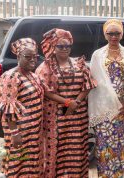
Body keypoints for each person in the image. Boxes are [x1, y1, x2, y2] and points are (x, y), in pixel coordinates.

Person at [35, 28, 97, 177]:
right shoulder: (46, 67)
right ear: (53, 47)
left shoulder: (79, 64)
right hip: (56, 118)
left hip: (78, 118)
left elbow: (87, 85)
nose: (64, 49)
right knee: (58, 150)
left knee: (76, 149)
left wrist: (76, 101)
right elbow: (46, 91)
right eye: (60, 46)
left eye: (67, 46)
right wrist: (67, 102)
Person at [88, 19, 124, 178]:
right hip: (104, 110)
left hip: (121, 110)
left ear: (122, 34)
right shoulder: (97, 55)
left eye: (117, 33)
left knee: (118, 148)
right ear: (105, 34)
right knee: (103, 150)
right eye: (110, 33)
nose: (114, 36)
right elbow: (93, 82)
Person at [0, 38, 44, 177]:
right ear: (18, 56)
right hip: (19, 131)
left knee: (30, 162)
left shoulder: (32, 75)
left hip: (33, 131)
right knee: (18, 161)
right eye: (28, 57)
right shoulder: (11, 77)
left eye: (35, 56)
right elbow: (7, 107)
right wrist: (14, 133)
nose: (33, 60)